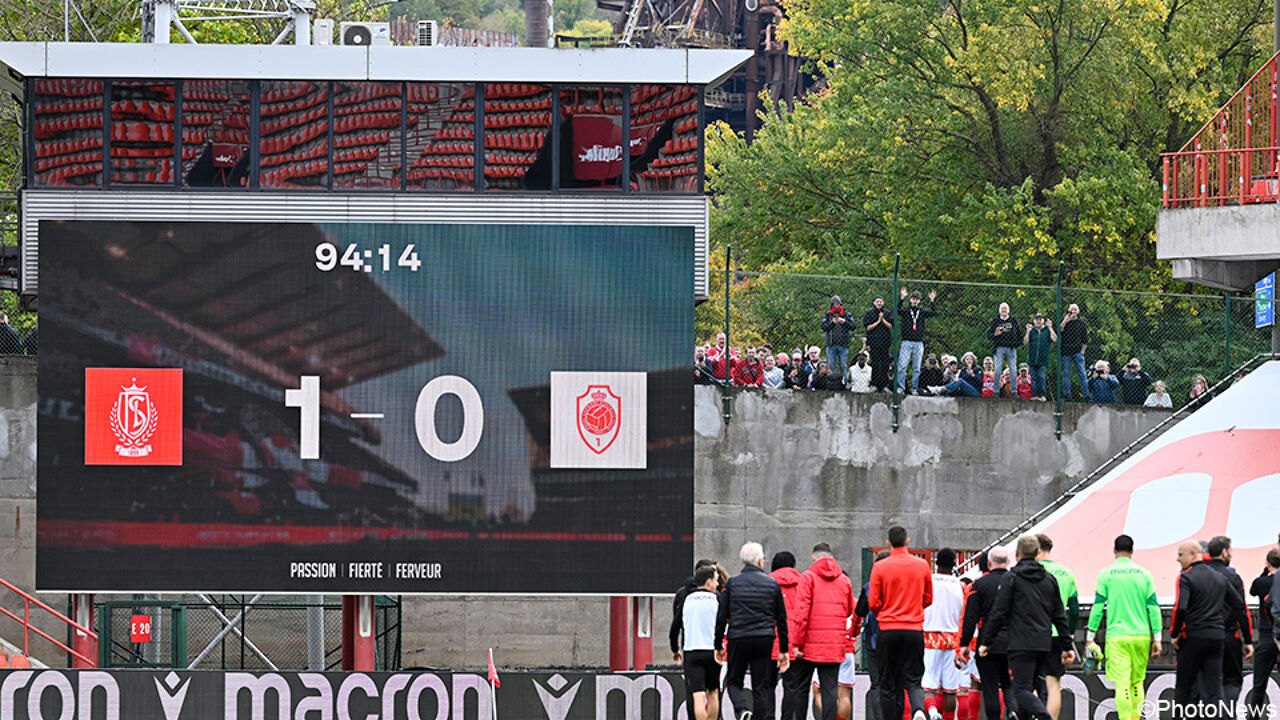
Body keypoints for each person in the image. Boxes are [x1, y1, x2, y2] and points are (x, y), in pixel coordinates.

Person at [979, 535, 1073, 720]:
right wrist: (1067, 645)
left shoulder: (1012, 578)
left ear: (1016, 553)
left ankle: (1043, 716)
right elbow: (1059, 615)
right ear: (1038, 553)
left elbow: (999, 612)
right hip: (1044, 643)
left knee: (1021, 690)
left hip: (1020, 643)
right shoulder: (1049, 579)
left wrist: (987, 641)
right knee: (1033, 687)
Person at [1085, 535, 1162, 720]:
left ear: (1114, 550)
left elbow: (1098, 608)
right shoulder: (1145, 574)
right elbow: (1153, 607)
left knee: (1122, 684)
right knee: (1137, 683)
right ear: (1132, 551)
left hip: (1117, 636)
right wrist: (1158, 638)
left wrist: (1090, 637)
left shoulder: (1106, 574)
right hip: (1141, 635)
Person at [1170, 540, 1249, 718]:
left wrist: (1175, 634)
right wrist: (1248, 638)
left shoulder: (1186, 577)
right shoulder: (1220, 577)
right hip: (1217, 637)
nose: (1177, 559)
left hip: (1193, 636)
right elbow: (1239, 605)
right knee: (1214, 688)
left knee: (1184, 686)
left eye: (1181, 555)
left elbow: (1180, 608)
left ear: (1193, 554)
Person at [716, 542, 791, 720]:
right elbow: (781, 619)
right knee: (761, 686)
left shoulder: (732, 583)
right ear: (760, 561)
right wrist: (784, 650)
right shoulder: (772, 584)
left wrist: (718, 645)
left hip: (738, 637)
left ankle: (742, 710)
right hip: (764, 638)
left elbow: (722, 616)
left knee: (734, 681)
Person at [868, 526, 933, 720]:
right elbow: (928, 598)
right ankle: (918, 709)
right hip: (913, 628)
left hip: (888, 628)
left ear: (888, 543)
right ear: (907, 541)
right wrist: (913, 607)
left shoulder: (880, 567)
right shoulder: (922, 565)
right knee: (913, 680)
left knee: (887, 683)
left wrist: (884, 611)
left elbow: (873, 602)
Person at [791, 543, 857, 720]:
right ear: (831, 557)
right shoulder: (844, 580)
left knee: (801, 687)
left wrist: (797, 643)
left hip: (807, 645)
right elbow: (849, 610)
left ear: (814, 558)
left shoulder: (807, 577)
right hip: (834, 645)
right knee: (830, 689)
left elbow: (801, 614)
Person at [959, 547, 1013, 720]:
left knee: (989, 687)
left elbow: (969, 617)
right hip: (1013, 641)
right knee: (1009, 684)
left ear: (989, 563)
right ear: (1008, 561)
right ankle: (1013, 710)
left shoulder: (978, 585)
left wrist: (964, 643)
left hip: (986, 642)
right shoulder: (1016, 582)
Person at [1206, 536, 1254, 718]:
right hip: (1228, 636)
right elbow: (1241, 609)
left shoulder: (1197, 575)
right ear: (1224, 552)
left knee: (1206, 683)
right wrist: (1248, 639)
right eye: (1230, 550)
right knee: (1231, 681)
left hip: (1203, 637)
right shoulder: (1233, 577)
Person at [1036, 534, 1079, 720]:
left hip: (1034, 633)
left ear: (1037, 550)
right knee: (1054, 685)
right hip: (1058, 635)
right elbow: (1074, 610)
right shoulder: (1067, 573)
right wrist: (1069, 634)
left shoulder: (1031, 571)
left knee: (1032, 682)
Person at [674, 558, 721, 720]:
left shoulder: (686, 598)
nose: (717, 584)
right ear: (708, 581)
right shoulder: (717, 599)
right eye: (716, 580)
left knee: (697, 695)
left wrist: (675, 648)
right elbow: (723, 624)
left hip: (692, 650)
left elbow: (676, 626)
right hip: (712, 651)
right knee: (713, 692)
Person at [921, 548, 965, 720]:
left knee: (928, 685)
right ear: (954, 565)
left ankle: (932, 712)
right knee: (951, 689)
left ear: (936, 563)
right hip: (952, 639)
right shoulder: (961, 585)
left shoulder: (927, 582)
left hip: (929, 637)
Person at [1245, 549, 1280, 720]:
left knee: (1259, 685)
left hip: (1266, 636)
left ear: (1268, 562)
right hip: (1278, 634)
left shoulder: (1261, 582)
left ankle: (1254, 717)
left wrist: (1265, 571)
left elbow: (1252, 591)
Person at [857, 550, 892, 720]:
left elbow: (859, 611)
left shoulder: (869, 586)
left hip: (874, 639)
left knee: (876, 683)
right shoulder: (901, 584)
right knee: (895, 683)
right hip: (897, 637)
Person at [772, 552, 807, 720]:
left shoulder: (767, 583)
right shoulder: (803, 583)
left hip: (770, 642)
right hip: (794, 643)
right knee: (792, 687)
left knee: (766, 687)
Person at [897, 289, 938, 394]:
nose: (915, 301)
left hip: (918, 342)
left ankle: (914, 388)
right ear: (910, 299)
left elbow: (934, 312)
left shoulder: (922, 311)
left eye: (917, 299)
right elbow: (898, 310)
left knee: (917, 367)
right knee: (902, 366)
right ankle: (901, 387)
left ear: (919, 301)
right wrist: (902, 298)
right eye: (913, 299)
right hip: (907, 341)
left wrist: (932, 301)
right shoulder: (906, 311)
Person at [1059, 304, 1089, 401]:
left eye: (1075, 309)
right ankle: (1067, 396)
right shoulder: (1063, 321)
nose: (1073, 311)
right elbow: (1059, 331)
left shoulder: (1081, 323)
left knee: (1082, 374)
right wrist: (1065, 321)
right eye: (1071, 309)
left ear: (1078, 311)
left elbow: (1085, 340)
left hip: (1077, 352)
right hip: (1065, 353)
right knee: (1066, 374)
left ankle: (1086, 396)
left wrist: (1082, 352)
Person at [864, 297, 895, 392]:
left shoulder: (887, 313)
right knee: (875, 364)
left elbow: (890, 326)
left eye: (880, 301)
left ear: (883, 303)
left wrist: (883, 320)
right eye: (877, 301)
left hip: (885, 343)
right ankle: (875, 385)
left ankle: (885, 386)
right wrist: (878, 321)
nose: (879, 303)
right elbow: (868, 328)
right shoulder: (869, 313)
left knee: (885, 364)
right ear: (874, 303)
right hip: (874, 343)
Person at [1022, 314, 1056, 401]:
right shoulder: (1032, 330)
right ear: (1034, 321)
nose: (1038, 321)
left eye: (1040, 319)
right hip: (1032, 359)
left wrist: (1050, 328)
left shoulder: (1047, 330)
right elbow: (1025, 342)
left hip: (1043, 359)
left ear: (1043, 321)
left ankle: (1042, 395)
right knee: (1033, 378)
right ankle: (1035, 395)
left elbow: (1055, 339)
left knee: (1041, 377)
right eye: (1037, 319)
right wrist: (1028, 331)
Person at [986, 304, 1020, 386]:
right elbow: (989, 335)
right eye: (1002, 308)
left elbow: (1019, 333)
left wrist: (1016, 344)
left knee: (1013, 370)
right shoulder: (995, 321)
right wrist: (995, 334)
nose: (1004, 310)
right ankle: (996, 389)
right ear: (999, 310)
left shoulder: (1013, 320)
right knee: (997, 369)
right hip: (999, 348)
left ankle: (1014, 390)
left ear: (1008, 310)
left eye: (1005, 308)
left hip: (1011, 348)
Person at [823, 296, 856, 381]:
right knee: (831, 366)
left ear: (840, 304)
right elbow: (823, 327)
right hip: (831, 345)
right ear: (832, 305)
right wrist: (832, 323)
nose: (836, 305)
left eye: (837, 303)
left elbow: (853, 326)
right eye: (834, 304)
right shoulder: (828, 315)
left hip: (843, 345)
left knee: (843, 366)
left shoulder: (846, 314)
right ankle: (832, 383)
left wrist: (844, 322)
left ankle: (844, 383)